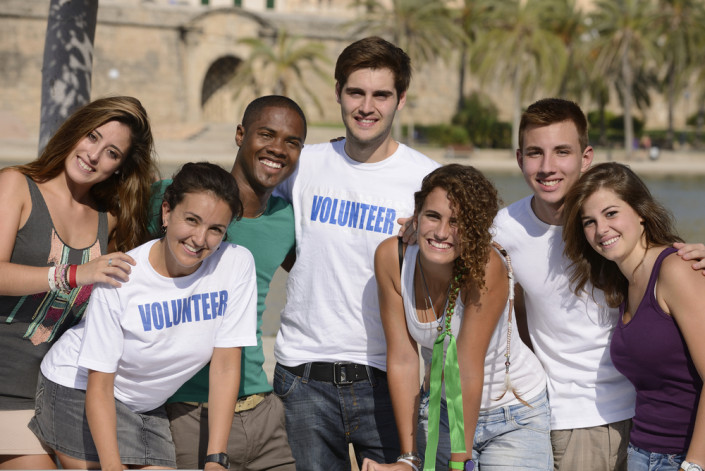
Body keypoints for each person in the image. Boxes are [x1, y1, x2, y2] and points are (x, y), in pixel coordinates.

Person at [492, 97, 705, 471]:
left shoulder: (636, 243)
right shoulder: (504, 230)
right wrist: (415, 231)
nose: (548, 166)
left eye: (562, 151)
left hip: (647, 421)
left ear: (585, 157)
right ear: (519, 158)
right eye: (535, 153)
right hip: (575, 423)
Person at [272, 36, 440, 470]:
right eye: (356, 93)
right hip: (302, 378)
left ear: (401, 99)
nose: (367, 107)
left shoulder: (429, 181)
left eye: (381, 95)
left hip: (390, 380)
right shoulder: (302, 165)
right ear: (338, 93)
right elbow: (251, 218)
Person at [28, 162, 258, 470]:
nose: (200, 239)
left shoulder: (235, 264)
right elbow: (99, 385)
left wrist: (215, 459)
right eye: (192, 220)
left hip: (145, 407)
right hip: (77, 389)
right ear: (167, 212)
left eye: (216, 229)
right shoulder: (122, 277)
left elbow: (226, 366)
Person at [0, 96, 157, 470]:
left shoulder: (110, 219)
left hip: (63, 395)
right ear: (75, 131)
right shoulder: (16, 185)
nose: (94, 155)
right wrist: (74, 273)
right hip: (5, 391)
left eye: (112, 153)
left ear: (120, 167)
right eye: (92, 136)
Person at [151, 96, 306, 470]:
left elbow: (326, 275)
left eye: (292, 142)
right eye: (266, 134)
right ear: (240, 135)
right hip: (189, 413)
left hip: (263, 410)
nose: (277, 149)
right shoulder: (174, 197)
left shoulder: (287, 220)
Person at [363, 164, 550, 471]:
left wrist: (459, 462)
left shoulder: (485, 268)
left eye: (457, 223)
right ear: (416, 215)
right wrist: (408, 459)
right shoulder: (392, 258)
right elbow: (403, 359)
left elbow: (466, 366)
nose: (441, 233)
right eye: (433, 216)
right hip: (442, 412)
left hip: (513, 414)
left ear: (476, 229)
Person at [562, 162, 704, 471]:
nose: (601, 229)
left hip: (683, 457)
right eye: (589, 222)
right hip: (642, 452)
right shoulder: (625, 284)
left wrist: (694, 463)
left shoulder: (676, 269)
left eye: (611, 213)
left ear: (641, 211)